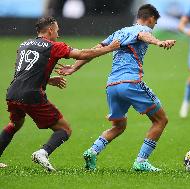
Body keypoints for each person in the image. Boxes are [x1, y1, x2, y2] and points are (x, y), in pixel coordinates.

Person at [58, 4, 176, 172]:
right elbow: (143, 35)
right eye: (154, 23)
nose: (153, 27)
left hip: (112, 85)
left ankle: (92, 151)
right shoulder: (144, 30)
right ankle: (141, 161)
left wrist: (75, 67)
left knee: (119, 126)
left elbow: (96, 50)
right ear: (150, 19)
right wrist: (159, 41)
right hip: (130, 83)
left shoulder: (119, 32)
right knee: (161, 120)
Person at [0, 16, 120, 171]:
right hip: (31, 95)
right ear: (50, 30)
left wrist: (48, 80)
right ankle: (43, 152)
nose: (58, 34)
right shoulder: (54, 46)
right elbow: (83, 54)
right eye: (57, 30)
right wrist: (109, 48)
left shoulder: (24, 45)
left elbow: (24, 70)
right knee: (64, 129)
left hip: (13, 92)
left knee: (15, 124)